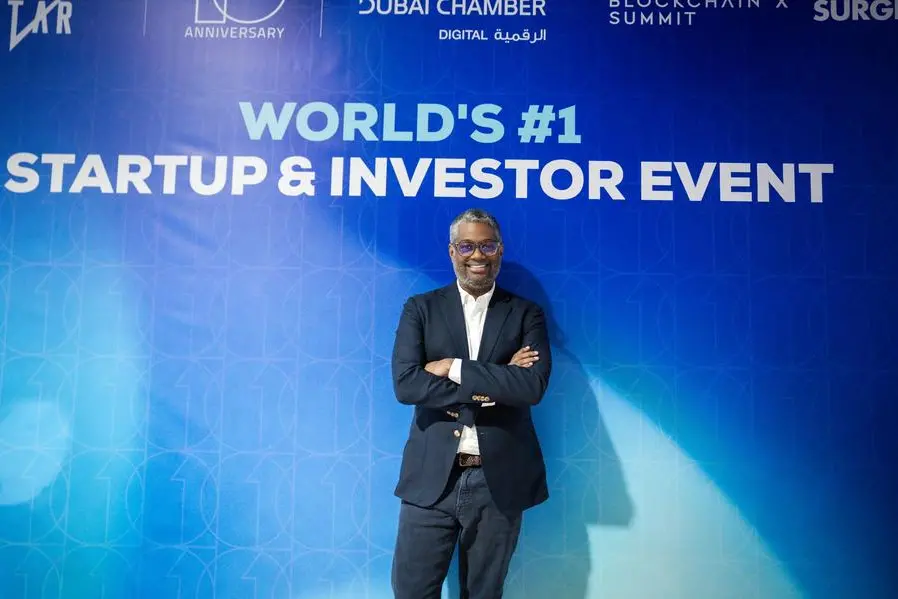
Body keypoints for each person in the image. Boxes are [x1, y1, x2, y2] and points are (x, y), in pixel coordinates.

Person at [390, 207, 553, 599]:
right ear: (452, 252)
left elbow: (531, 387)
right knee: (411, 592)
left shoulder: (526, 314)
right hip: (431, 478)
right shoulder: (420, 309)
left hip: (498, 481)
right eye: (466, 246)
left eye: (487, 246)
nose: (477, 255)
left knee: (484, 594)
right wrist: (496, 381)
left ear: (500, 250)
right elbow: (407, 384)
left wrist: (452, 367)